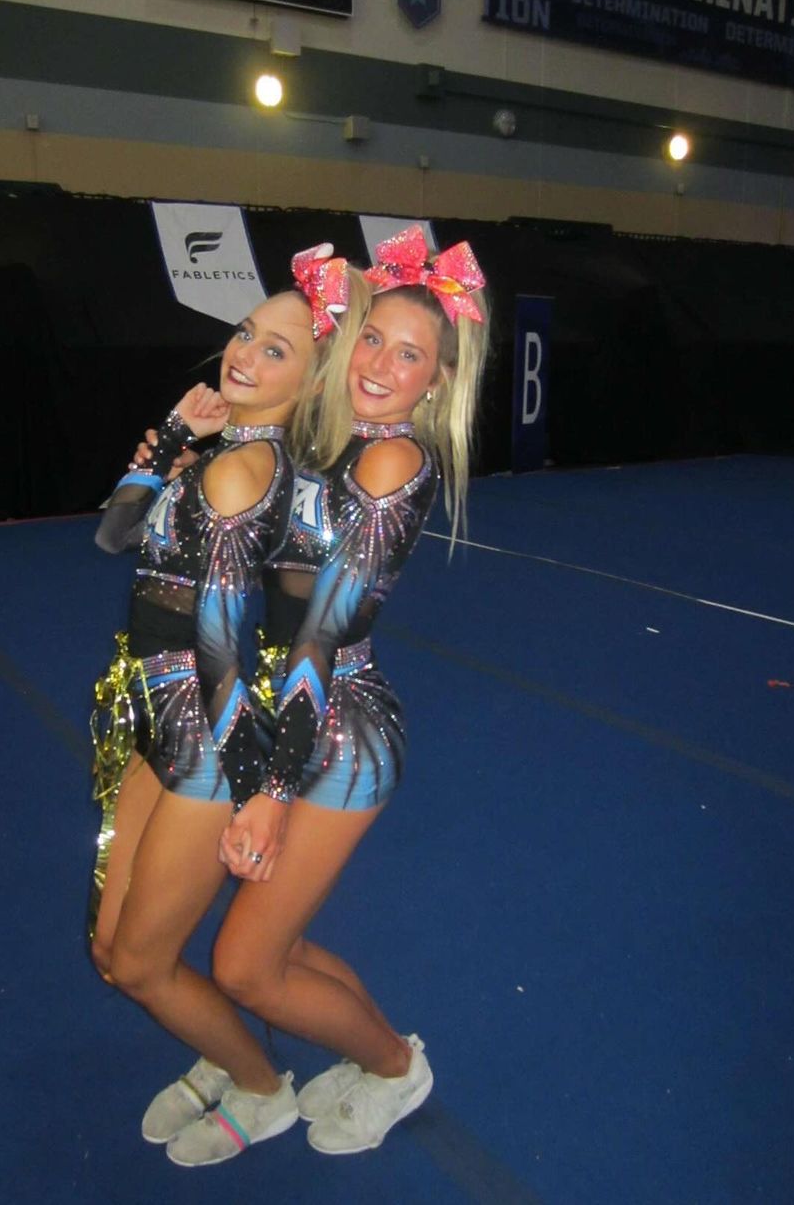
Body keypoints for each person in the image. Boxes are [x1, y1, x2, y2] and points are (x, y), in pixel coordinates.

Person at [158, 224, 487, 1163]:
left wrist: (267, 789)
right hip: (291, 713)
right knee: (278, 945)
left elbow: (322, 637)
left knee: (245, 967)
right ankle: (378, 1051)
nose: (380, 364)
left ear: (437, 381)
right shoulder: (333, 438)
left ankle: (393, 1066)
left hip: (341, 734)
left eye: (409, 354)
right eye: (371, 338)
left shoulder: (391, 463)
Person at [88, 246, 371, 1166]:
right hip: (157, 716)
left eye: (276, 350)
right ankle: (222, 1047)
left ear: (313, 382)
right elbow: (115, 532)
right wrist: (174, 434)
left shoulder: (245, 473)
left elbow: (218, 645)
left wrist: (259, 791)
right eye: (246, 332)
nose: (244, 353)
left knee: (138, 963)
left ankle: (260, 1087)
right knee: (114, 952)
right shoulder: (223, 454)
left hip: (204, 738)